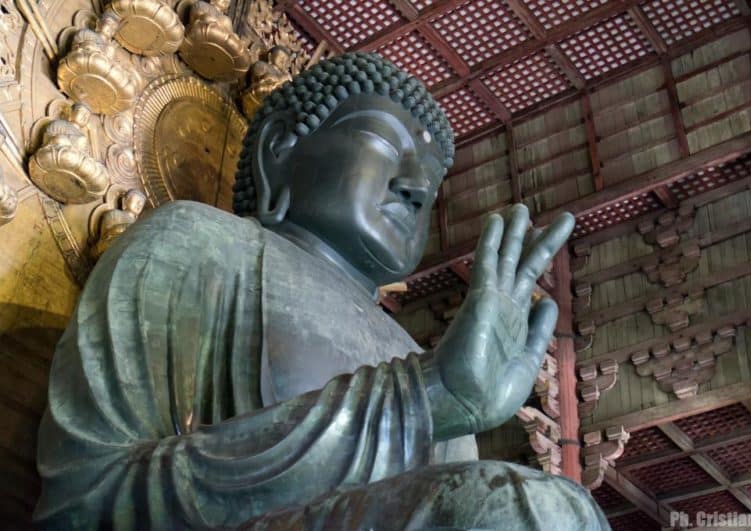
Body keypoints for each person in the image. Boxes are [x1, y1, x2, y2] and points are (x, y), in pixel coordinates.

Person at [35, 52, 608, 530]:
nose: (415, 188)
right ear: (279, 150)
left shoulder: (417, 351)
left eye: (431, 183)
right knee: (522, 511)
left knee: (563, 509)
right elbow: (85, 500)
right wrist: (424, 397)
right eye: (384, 145)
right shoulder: (200, 243)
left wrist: (440, 397)